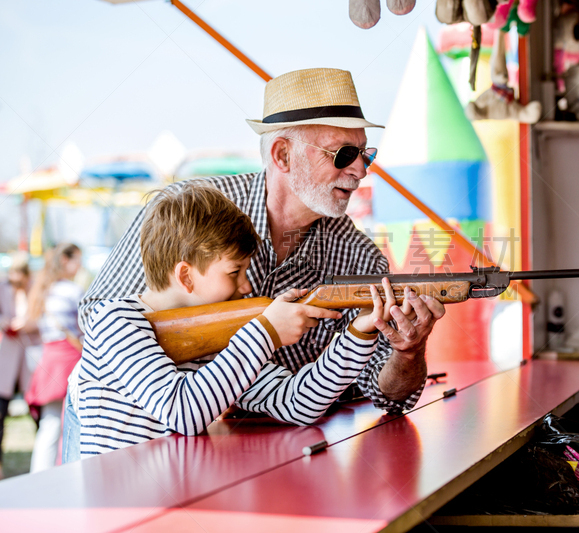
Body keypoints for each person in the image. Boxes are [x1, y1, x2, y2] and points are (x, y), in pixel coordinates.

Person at [79, 67, 445, 416]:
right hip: (131, 432)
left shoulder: (361, 259)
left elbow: (386, 398)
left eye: (366, 153)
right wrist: (200, 368)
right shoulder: (190, 210)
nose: (361, 169)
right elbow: (96, 311)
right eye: (344, 154)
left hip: (261, 448)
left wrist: (408, 352)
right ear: (282, 155)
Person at [78, 184, 390, 456]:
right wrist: (266, 333)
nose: (247, 286)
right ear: (186, 276)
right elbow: (182, 412)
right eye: (234, 272)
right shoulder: (114, 321)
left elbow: (298, 402)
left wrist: (359, 331)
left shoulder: (212, 340)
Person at [24, 243, 84, 472]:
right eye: (77, 260)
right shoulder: (73, 291)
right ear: (66, 261)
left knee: (49, 424)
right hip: (69, 359)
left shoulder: (43, 290)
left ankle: (38, 477)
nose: (80, 265)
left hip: (49, 358)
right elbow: (84, 328)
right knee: (71, 424)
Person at [0, 253, 41, 478]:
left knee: (37, 411)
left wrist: (28, 324)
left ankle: (44, 459)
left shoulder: (35, 289)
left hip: (30, 356)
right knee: (1, 411)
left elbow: (40, 318)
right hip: (7, 358)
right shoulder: (2, 288)